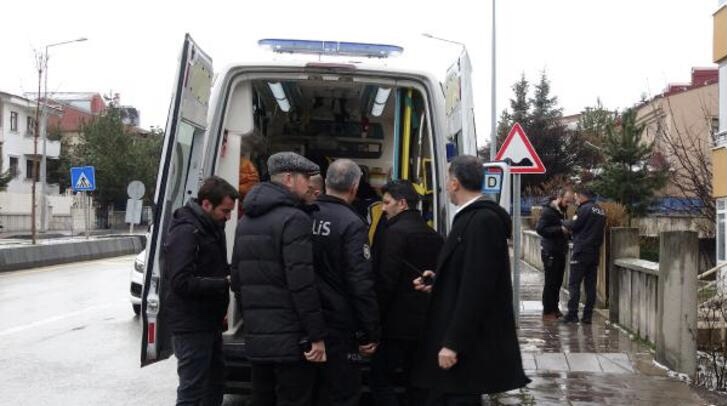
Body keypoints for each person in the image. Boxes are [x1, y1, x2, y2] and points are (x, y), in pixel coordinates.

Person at [411, 155, 530, 406]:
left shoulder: (482, 221)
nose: (445, 185)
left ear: (455, 183)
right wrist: (438, 281)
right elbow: (467, 273)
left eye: (446, 178)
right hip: (461, 347)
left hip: (467, 350)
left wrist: (453, 344)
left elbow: (478, 288)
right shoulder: (471, 218)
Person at [231, 152, 327, 406]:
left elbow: (237, 279)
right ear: (288, 179)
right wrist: (316, 335)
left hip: (257, 338)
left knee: (262, 398)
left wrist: (252, 321)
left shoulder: (246, 220)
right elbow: (302, 283)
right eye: (306, 178)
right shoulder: (295, 219)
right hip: (291, 341)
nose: (310, 184)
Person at [163, 176, 239, 406]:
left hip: (208, 323)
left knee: (214, 384)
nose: (228, 216)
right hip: (191, 326)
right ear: (206, 204)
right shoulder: (186, 231)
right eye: (225, 211)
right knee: (192, 391)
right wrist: (224, 282)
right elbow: (180, 282)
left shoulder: (212, 227)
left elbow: (214, 267)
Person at [311, 159, 380, 406]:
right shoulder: (352, 223)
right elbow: (360, 282)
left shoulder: (303, 214)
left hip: (302, 320)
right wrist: (369, 331)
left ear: (326, 181)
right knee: (341, 394)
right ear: (355, 186)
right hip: (337, 327)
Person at [370, 180, 443, 406]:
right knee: (416, 381)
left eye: (387, 203)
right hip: (426, 323)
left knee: (380, 379)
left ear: (402, 204)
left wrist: (373, 321)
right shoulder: (434, 234)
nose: (383, 208)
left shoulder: (393, 233)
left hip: (395, 324)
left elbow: (386, 281)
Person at [561, 185, 606, 325]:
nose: (575, 199)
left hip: (581, 251)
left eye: (576, 197)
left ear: (581, 196)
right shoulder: (601, 210)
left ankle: (572, 314)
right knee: (590, 286)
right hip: (594, 253)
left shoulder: (584, 209)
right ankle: (587, 316)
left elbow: (574, 225)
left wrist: (562, 222)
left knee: (574, 284)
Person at [535, 188, 574, 320]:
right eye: (567, 201)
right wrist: (560, 230)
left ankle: (554, 308)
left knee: (557, 282)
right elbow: (540, 229)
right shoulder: (548, 211)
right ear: (560, 197)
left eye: (569, 202)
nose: (568, 204)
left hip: (559, 250)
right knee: (550, 282)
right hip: (550, 251)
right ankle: (548, 311)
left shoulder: (561, 211)